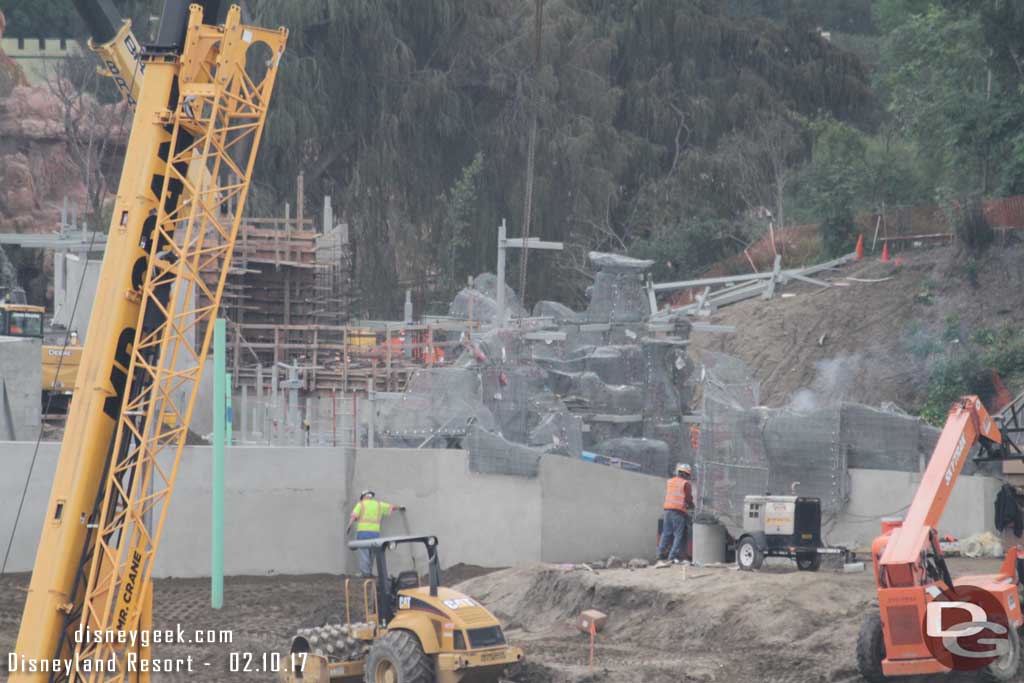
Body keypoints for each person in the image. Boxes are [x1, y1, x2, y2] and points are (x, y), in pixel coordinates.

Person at [347, 490, 404, 577]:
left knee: (364, 553)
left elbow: (354, 516)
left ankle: (365, 573)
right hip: (375, 533)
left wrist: (349, 526)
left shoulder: (361, 504)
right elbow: (391, 507)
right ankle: (368, 572)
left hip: (363, 533)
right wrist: (400, 507)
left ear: (363, 497)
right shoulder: (378, 505)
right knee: (372, 554)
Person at [656, 463, 694, 567]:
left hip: (667, 510)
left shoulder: (670, 481)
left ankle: (659, 555)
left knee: (666, 533)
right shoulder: (685, 484)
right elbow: (688, 499)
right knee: (678, 535)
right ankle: (672, 557)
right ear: (686, 474)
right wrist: (692, 506)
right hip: (678, 512)